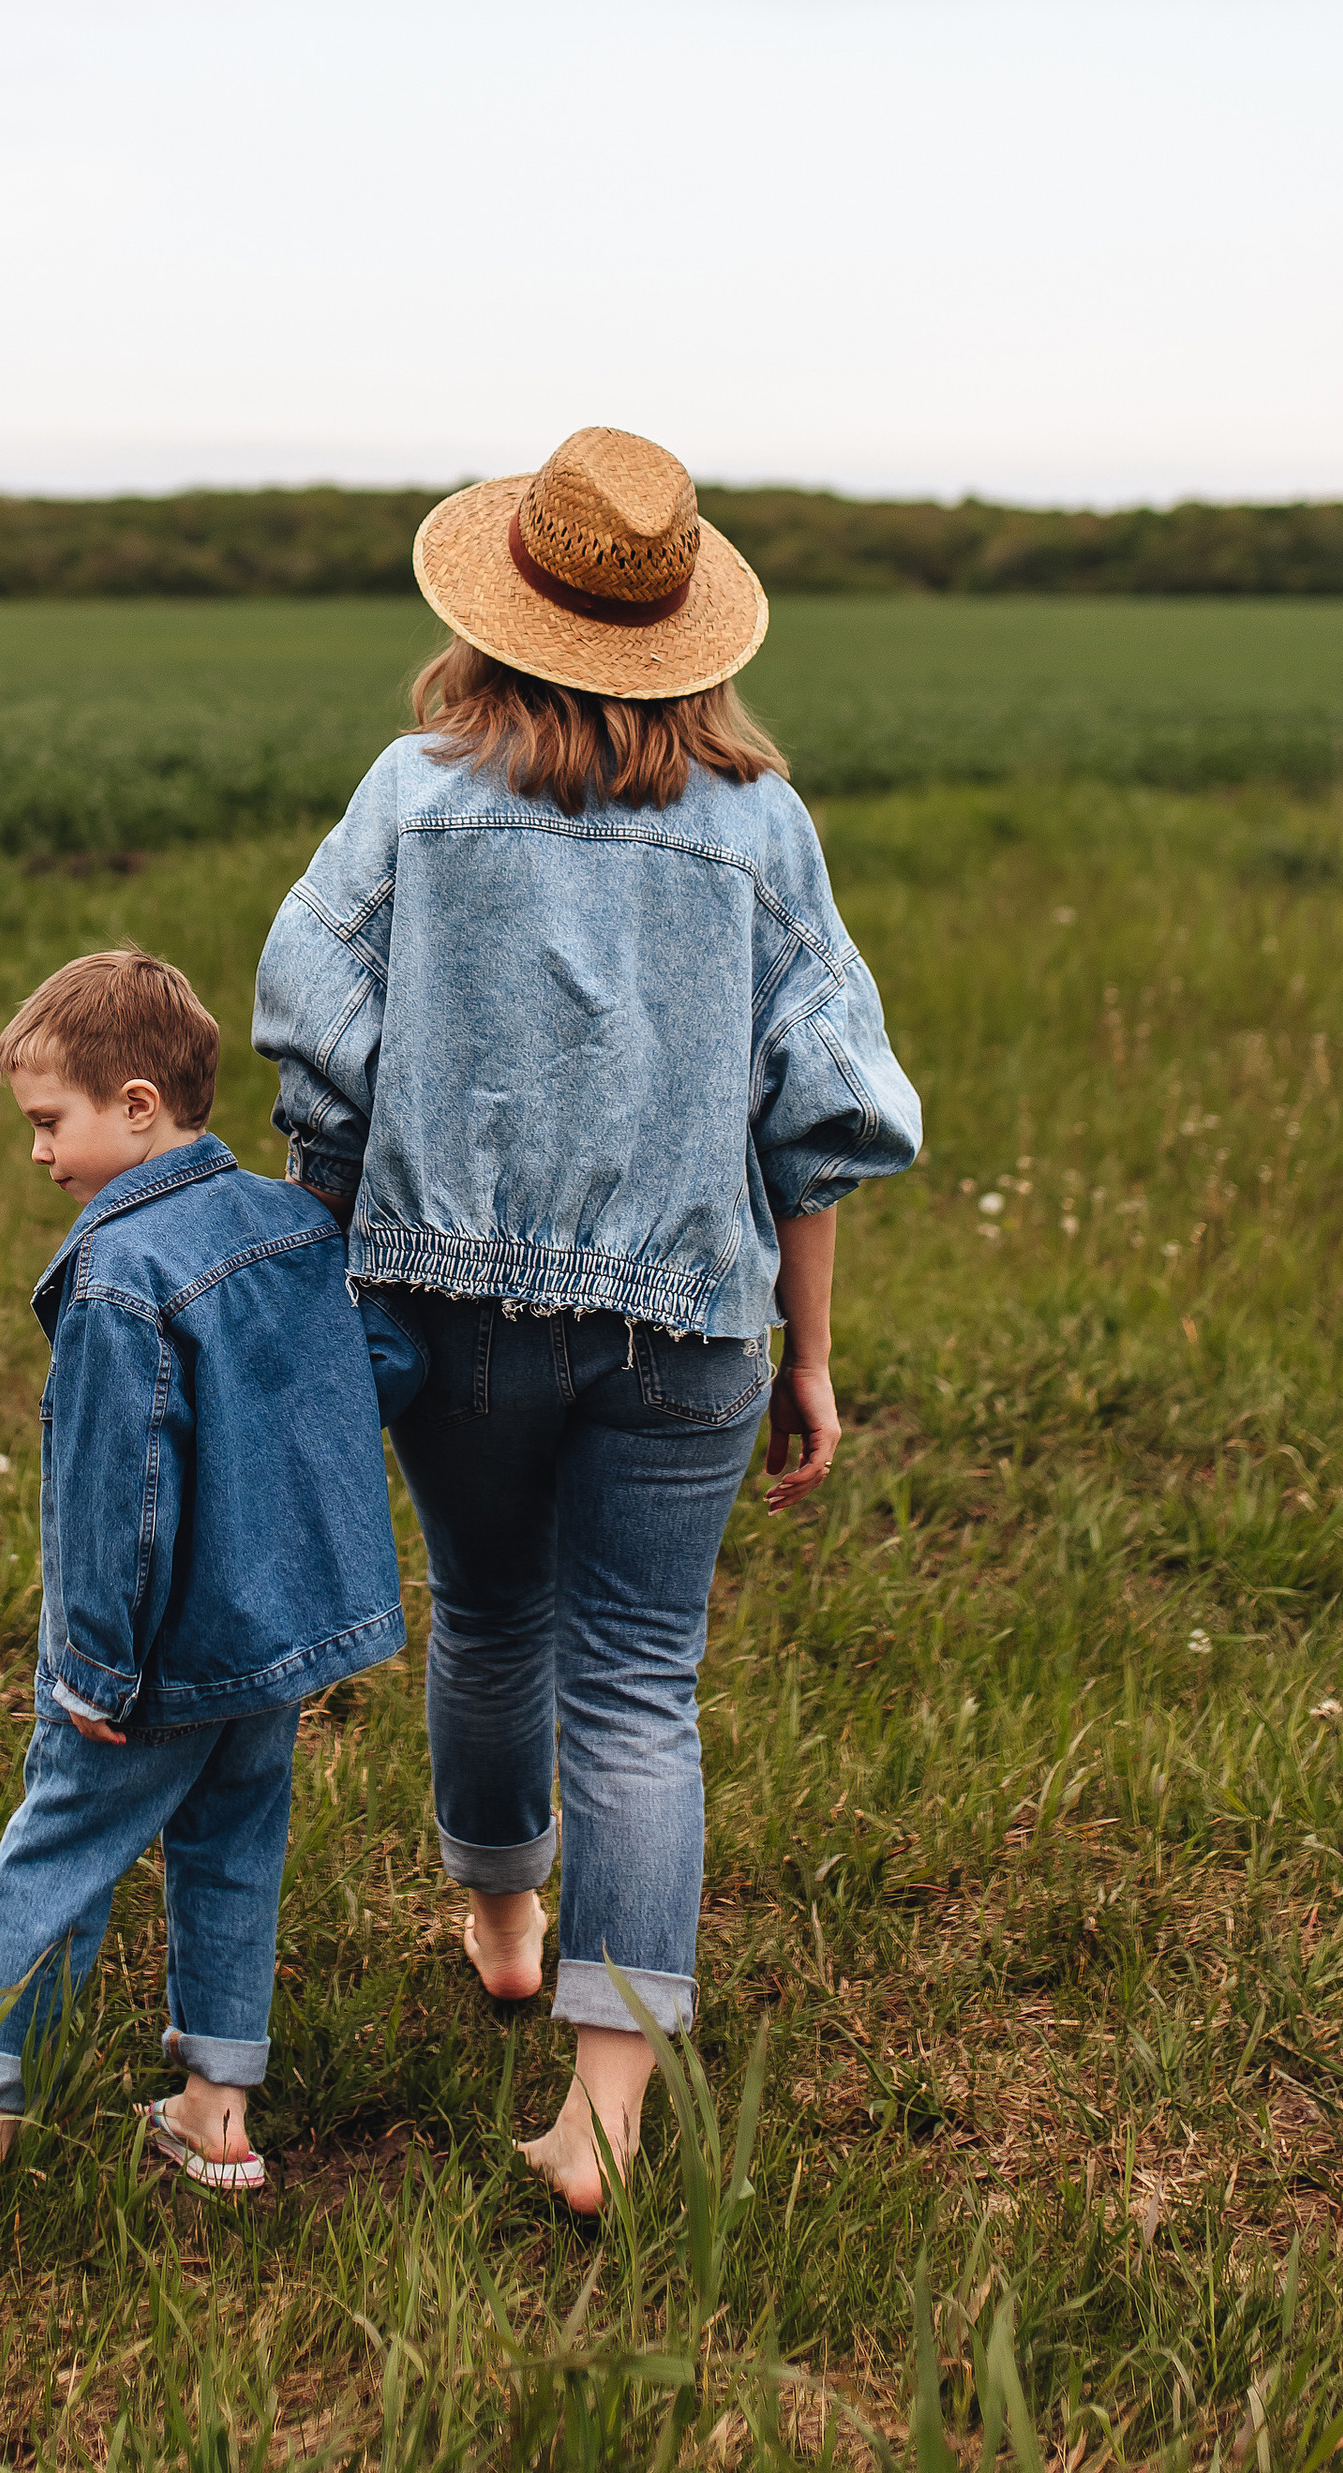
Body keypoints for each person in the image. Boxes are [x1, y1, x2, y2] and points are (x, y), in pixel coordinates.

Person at [253, 427, 921, 2212]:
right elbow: (820, 1119)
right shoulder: (760, 829)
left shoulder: (414, 792)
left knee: (486, 1612)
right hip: (694, 1319)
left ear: (497, 615)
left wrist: (340, 1232)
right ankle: (606, 2111)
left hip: (449, 1299)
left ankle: (502, 1915)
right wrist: (809, 1356)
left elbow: (318, 1035)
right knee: (639, 1684)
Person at [0, 948, 405, 2199]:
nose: (36, 1152)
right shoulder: (296, 1223)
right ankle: (217, 2110)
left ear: (138, 1107)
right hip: (274, 1636)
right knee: (237, 1840)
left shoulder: (116, 1279)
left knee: (62, 1846)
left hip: (157, 1648)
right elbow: (364, 1380)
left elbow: (113, 1502)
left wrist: (95, 1665)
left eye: (48, 1121)